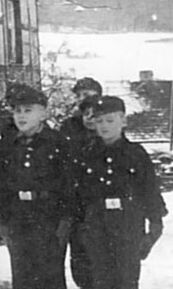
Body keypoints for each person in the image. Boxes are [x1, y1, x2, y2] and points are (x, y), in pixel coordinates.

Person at [74, 96, 167, 289]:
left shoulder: (136, 154)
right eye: (99, 121)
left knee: (127, 278)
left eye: (110, 120)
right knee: (100, 278)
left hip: (128, 225)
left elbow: (149, 189)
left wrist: (155, 223)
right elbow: (79, 194)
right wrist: (81, 227)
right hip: (96, 226)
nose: (104, 126)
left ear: (123, 121)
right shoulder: (87, 154)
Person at [0, 85, 73, 289]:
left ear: (43, 113)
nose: (21, 116)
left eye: (28, 110)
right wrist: (3, 218)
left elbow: (68, 184)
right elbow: (1, 184)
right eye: (17, 111)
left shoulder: (58, 143)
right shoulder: (8, 144)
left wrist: (64, 220)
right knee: (22, 275)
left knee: (50, 276)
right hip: (18, 216)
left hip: (48, 217)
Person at [62, 78, 102, 289]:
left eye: (87, 94)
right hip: (76, 201)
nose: (82, 100)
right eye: (79, 96)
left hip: (101, 202)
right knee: (79, 257)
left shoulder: (106, 123)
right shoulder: (69, 126)